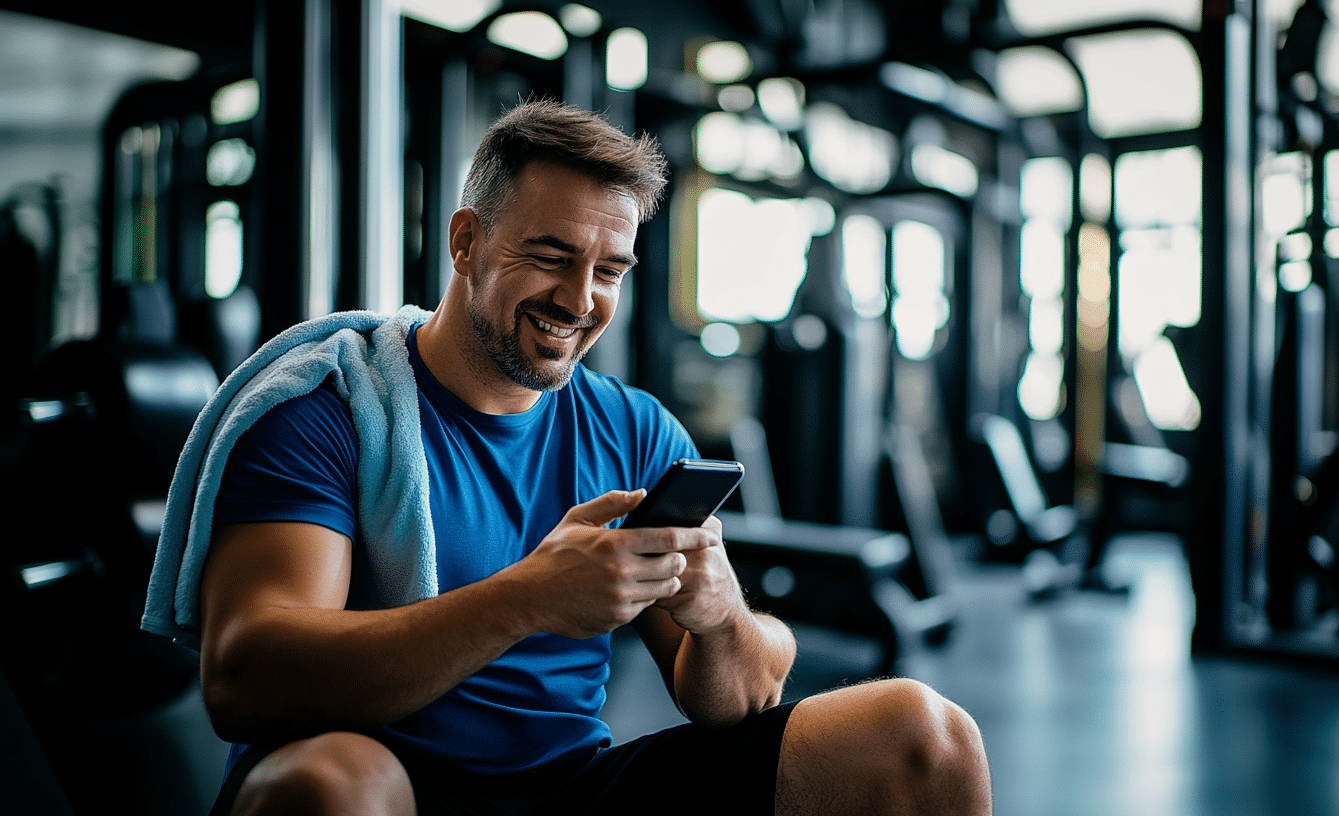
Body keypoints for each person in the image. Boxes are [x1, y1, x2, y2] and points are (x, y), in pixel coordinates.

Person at [144, 99, 992, 815]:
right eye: (550, 256)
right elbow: (244, 680)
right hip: (385, 780)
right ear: (467, 241)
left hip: (569, 785)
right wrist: (528, 598)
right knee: (332, 787)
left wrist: (721, 613)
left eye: (609, 270)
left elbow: (737, 703)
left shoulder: (635, 431)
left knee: (927, 737)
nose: (579, 300)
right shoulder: (328, 414)